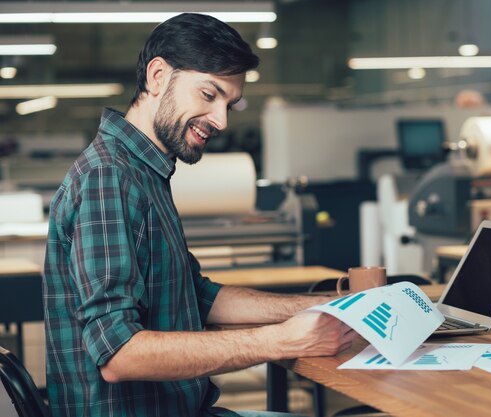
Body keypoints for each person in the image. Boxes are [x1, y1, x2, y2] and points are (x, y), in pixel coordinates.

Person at [43, 13, 357, 417]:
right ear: (157, 76)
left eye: (229, 103)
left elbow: (196, 295)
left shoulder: (142, 172)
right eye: (208, 95)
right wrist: (283, 341)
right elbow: (119, 354)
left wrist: (325, 308)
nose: (222, 120)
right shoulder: (109, 177)